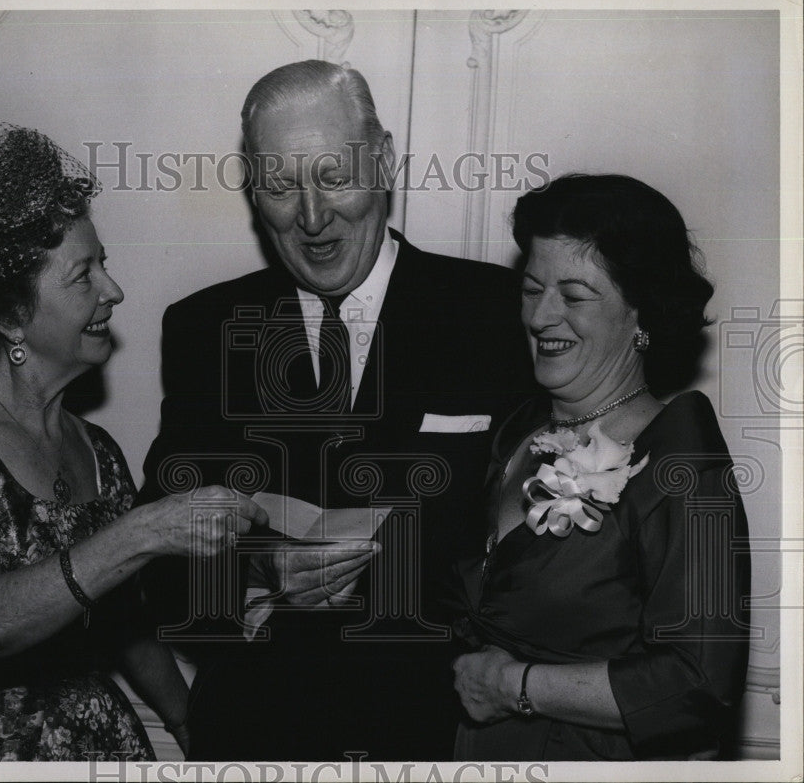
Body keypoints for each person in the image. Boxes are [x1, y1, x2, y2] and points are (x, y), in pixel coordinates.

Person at [137, 61, 536, 760]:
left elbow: (540, 557)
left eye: (332, 177)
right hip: (255, 737)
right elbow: (158, 559)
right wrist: (261, 571)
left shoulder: (495, 313)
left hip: (437, 739)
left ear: (382, 160)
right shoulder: (205, 328)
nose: (313, 218)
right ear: (253, 188)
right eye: (282, 186)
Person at [0, 125, 266, 762]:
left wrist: (193, 726)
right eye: (82, 276)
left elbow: (125, 628)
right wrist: (142, 533)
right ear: (11, 318)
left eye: (104, 265)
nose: (112, 291)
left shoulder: (99, 451)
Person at [451, 173, 751, 761]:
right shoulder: (516, 432)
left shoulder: (682, 456)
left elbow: (700, 682)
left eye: (575, 295)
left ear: (642, 315)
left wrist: (514, 687)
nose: (541, 317)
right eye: (532, 288)